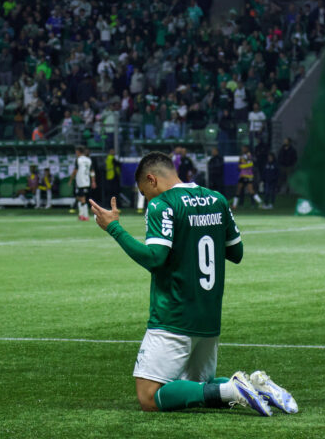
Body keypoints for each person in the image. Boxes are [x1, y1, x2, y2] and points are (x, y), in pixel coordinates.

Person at [88, 152, 297, 415]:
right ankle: (257, 385)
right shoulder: (216, 199)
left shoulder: (162, 204)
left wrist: (114, 228)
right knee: (198, 387)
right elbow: (236, 253)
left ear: (151, 179)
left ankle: (234, 389)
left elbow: (155, 258)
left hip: (175, 314)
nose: (146, 199)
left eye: (144, 192)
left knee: (149, 396)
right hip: (208, 317)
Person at [69, 145, 96, 221]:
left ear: (78, 151)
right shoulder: (88, 160)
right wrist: (93, 181)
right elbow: (92, 171)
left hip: (80, 181)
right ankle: (81, 215)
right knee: (80, 198)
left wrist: (71, 179)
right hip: (87, 181)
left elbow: (75, 170)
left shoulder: (79, 160)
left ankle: (85, 216)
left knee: (82, 198)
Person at [233, 145, 263, 209]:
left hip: (249, 175)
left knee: (250, 190)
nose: (242, 149)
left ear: (247, 149)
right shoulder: (241, 156)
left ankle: (260, 203)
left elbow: (250, 164)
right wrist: (240, 166)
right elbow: (239, 165)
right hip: (242, 175)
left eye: (244, 148)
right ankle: (234, 205)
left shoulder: (249, 156)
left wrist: (242, 166)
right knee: (238, 190)